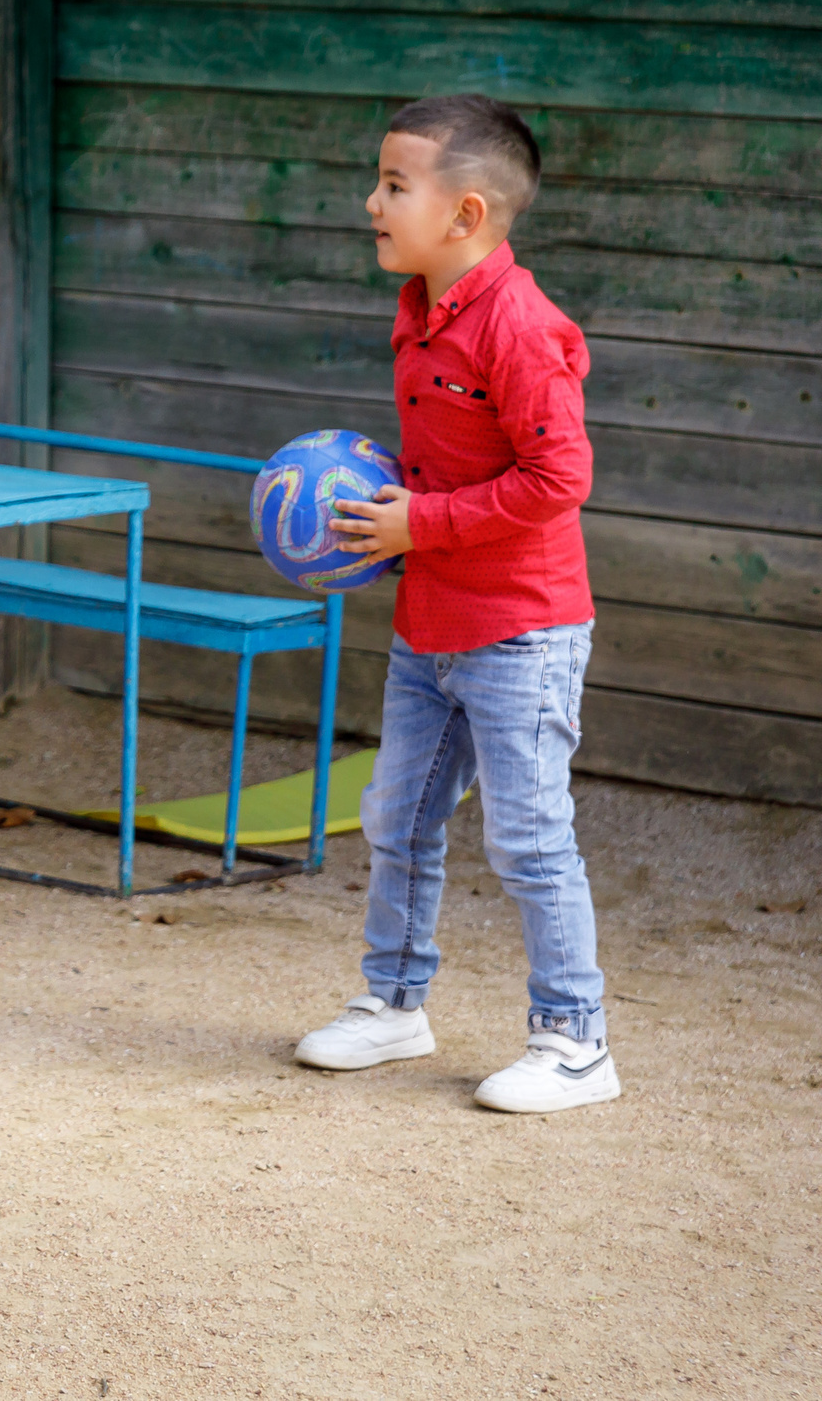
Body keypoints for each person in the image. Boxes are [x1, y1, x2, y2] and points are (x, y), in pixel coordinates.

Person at [300, 94, 617, 1113]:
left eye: (394, 185)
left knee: (528, 837)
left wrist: (417, 527)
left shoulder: (518, 327)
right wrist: (383, 519)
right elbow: (449, 463)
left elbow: (557, 479)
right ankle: (393, 1004)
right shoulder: (422, 308)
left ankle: (576, 1041)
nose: (371, 202)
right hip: (429, 625)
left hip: (522, 630)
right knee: (395, 816)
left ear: (466, 213)